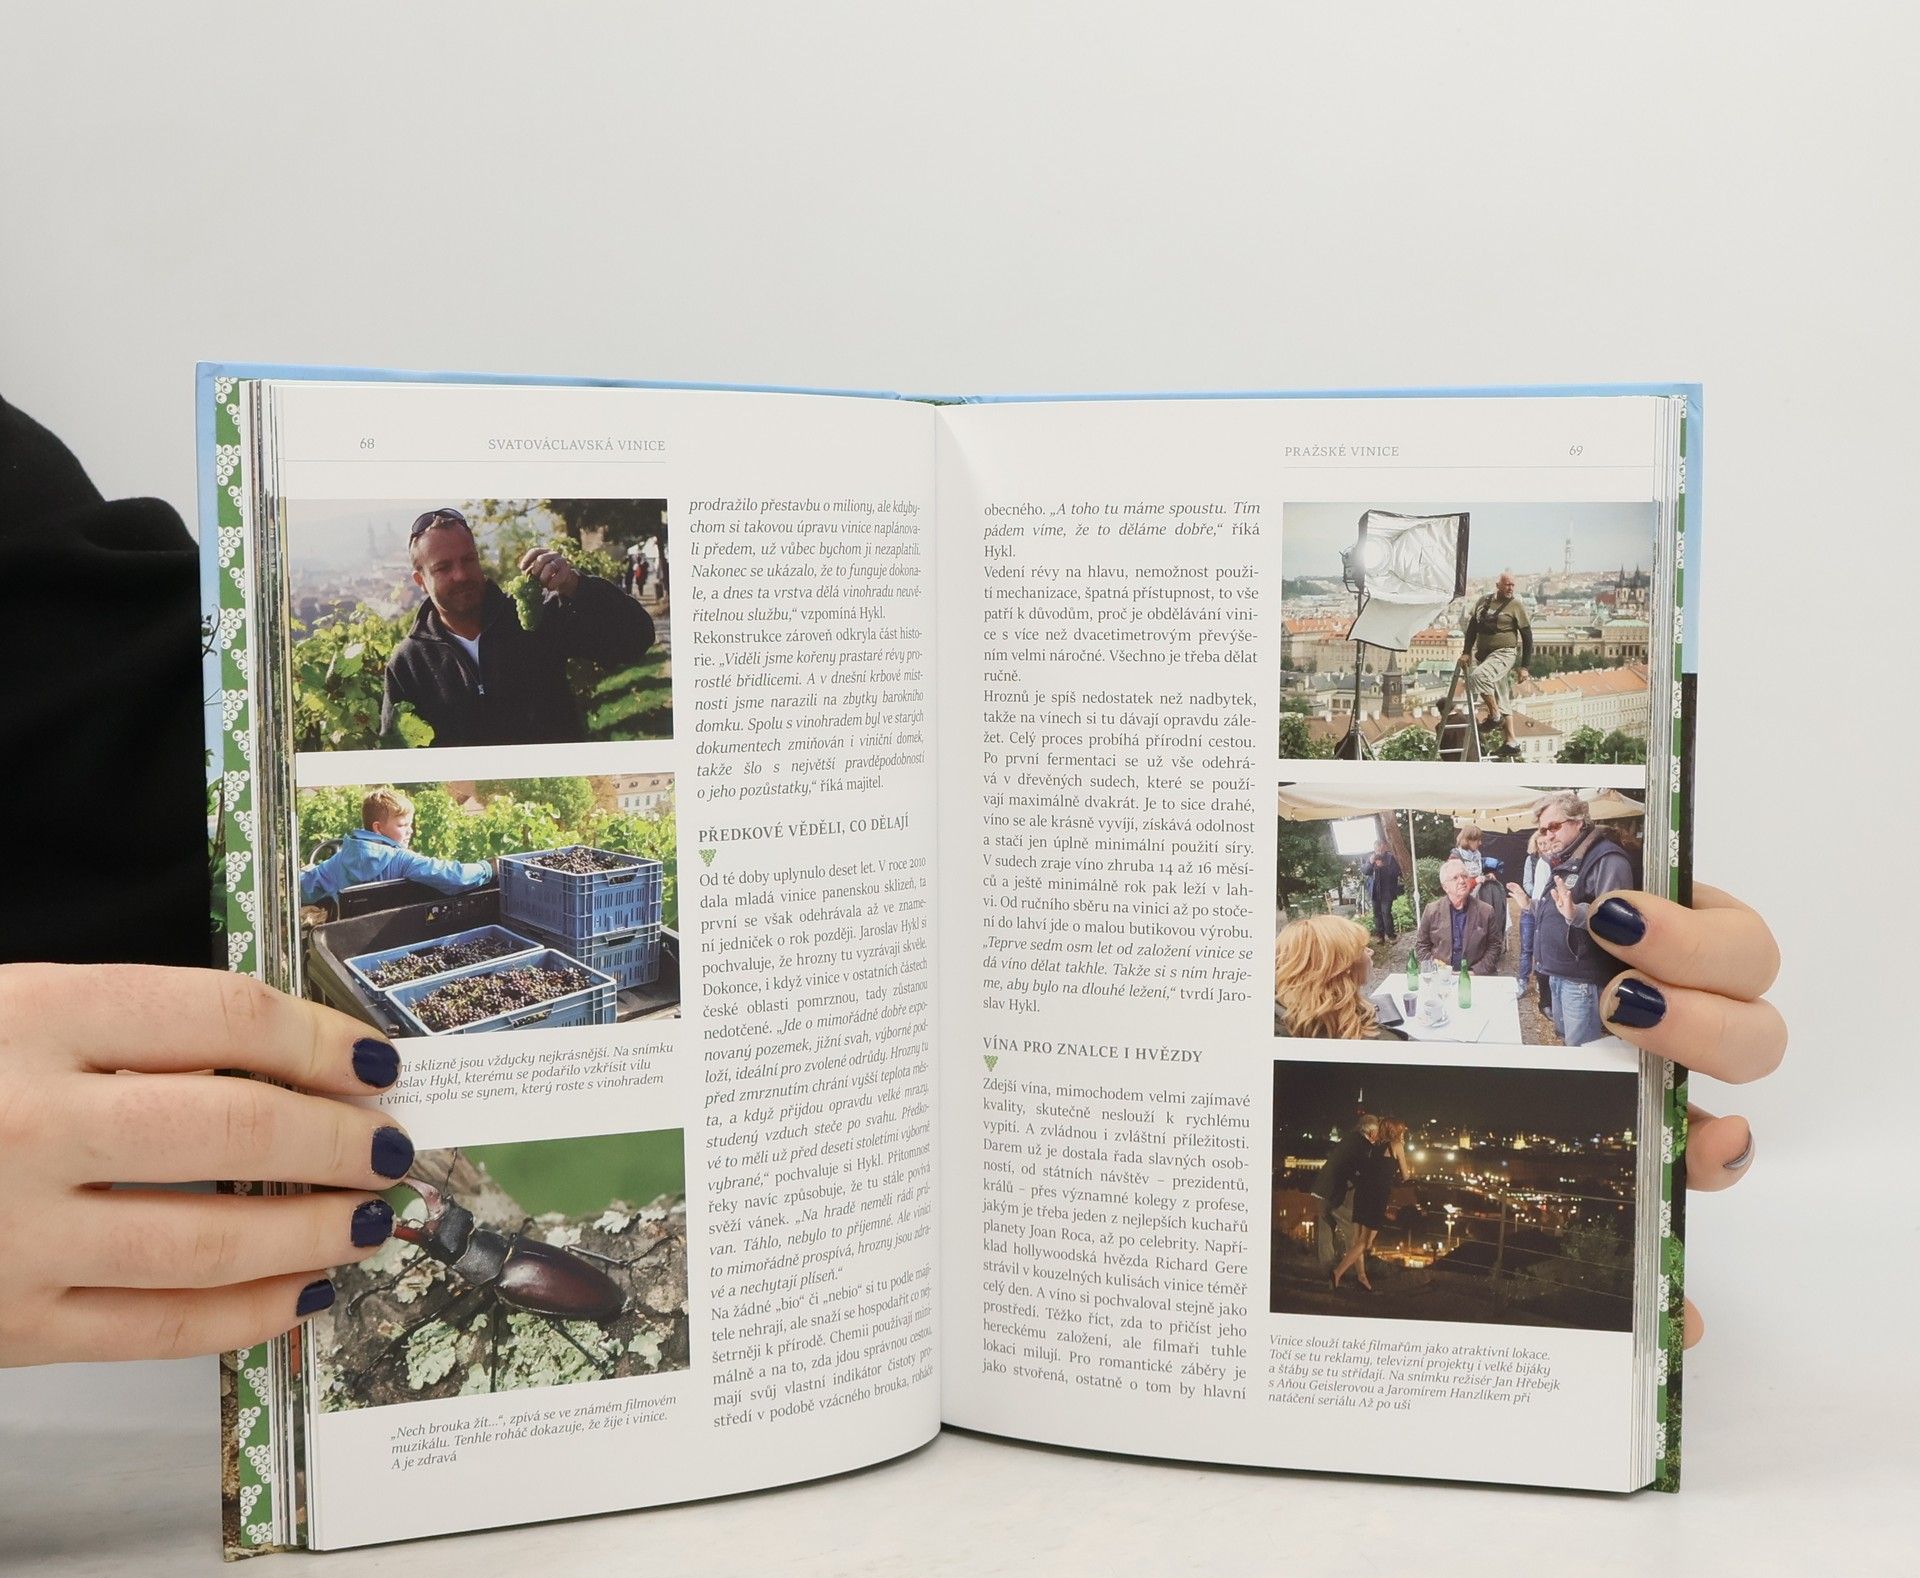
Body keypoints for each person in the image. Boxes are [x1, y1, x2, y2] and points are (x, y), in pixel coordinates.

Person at [0, 396, 1783, 1363]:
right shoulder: (407, 663)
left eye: (471, 558)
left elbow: (136, 751)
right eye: (438, 565)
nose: (457, 579)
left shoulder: (484, 633)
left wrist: (1614, 894)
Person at [380, 509, 655, 748]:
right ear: (420, 580)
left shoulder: (536, 617)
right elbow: (401, 756)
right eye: (443, 568)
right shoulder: (408, 664)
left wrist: (575, 585)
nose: (461, 574)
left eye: (468, 560)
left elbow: (636, 638)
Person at [1529, 791, 1636, 1047]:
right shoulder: (1568, 856)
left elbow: (1618, 923)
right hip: (1560, 974)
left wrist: (1576, 913)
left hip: (1581, 981)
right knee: (1567, 1044)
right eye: (1543, 830)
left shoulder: (1607, 858)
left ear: (1578, 821)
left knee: (1582, 1052)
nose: (1548, 835)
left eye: (1554, 826)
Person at [298, 789, 494, 909]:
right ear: (378, 828)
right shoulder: (402, 859)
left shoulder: (340, 860)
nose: (410, 831)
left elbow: (303, 888)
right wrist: (488, 868)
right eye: (402, 825)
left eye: (410, 824)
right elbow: (454, 876)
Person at [1274, 916, 1407, 1041]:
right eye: (1362, 949)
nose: (1370, 952)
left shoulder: (1281, 1017)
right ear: (1343, 966)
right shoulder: (1373, 1042)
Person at [1331, 1119, 1412, 1292]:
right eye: (1402, 1131)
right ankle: (1337, 1272)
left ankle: (1362, 1278)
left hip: (1362, 1192)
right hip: (1377, 1196)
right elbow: (1406, 1175)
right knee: (1365, 1242)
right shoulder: (1396, 1145)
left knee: (1357, 1240)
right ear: (1397, 1131)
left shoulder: (1373, 1146)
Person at [1459, 569, 1534, 731]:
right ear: (1498, 585)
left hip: (1503, 654)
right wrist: (1466, 652)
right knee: (1501, 694)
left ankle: (1495, 717)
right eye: (1507, 585)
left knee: (1479, 677)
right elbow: (1472, 628)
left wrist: (1525, 667)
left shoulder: (1516, 605)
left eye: (1513, 585)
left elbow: (1527, 636)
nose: (1510, 588)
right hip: (1484, 656)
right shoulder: (1483, 601)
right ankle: (1510, 740)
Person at [1312, 1112, 1381, 1278]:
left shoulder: (1348, 1139)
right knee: (1353, 1233)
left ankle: (1326, 1268)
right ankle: (1355, 1271)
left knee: (1326, 1230)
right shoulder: (1364, 1146)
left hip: (1319, 1190)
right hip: (1334, 1194)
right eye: (1377, 1133)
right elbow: (1359, 1171)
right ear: (1372, 1132)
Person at [1413, 859, 1505, 975]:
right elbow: (1421, 946)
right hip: (1441, 975)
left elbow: (1495, 946)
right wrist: (1438, 969)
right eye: (1455, 878)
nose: (1462, 881)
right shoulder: (1432, 911)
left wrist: (1475, 972)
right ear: (1445, 887)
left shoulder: (1486, 911)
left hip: (1475, 976)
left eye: (1465, 876)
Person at [1509, 830, 1556, 1005]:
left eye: (1545, 843)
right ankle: (1522, 980)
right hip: (1531, 907)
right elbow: (1527, 883)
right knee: (1527, 948)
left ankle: (1541, 980)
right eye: (1540, 844)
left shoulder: (1557, 860)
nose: (1543, 847)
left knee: (1543, 947)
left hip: (1547, 909)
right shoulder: (1532, 860)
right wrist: (1535, 896)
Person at [1360, 839, 1402, 943]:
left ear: (1384, 848)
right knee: (1376, 914)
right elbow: (1365, 871)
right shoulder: (1371, 857)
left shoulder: (1390, 857)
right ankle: (1380, 936)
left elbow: (1396, 872)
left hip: (1387, 890)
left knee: (1386, 913)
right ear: (1374, 848)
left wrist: (1383, 867)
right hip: (1375, 890)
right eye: (1377, 849)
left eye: (1381, 849)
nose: (1379, 851)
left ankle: (1391, 936)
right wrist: (1370, 862)